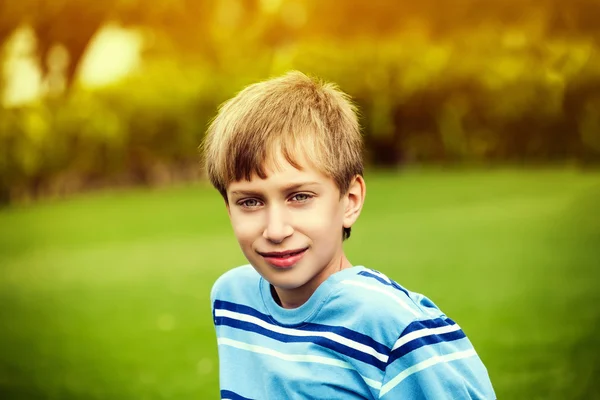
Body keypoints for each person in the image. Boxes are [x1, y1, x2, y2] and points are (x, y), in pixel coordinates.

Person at [203, 71, 495, 399]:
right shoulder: (232, 301)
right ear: (229, 208)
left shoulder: (394, 328)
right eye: (250, 201)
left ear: (350, 201)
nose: (276, 230)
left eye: (299, 196)